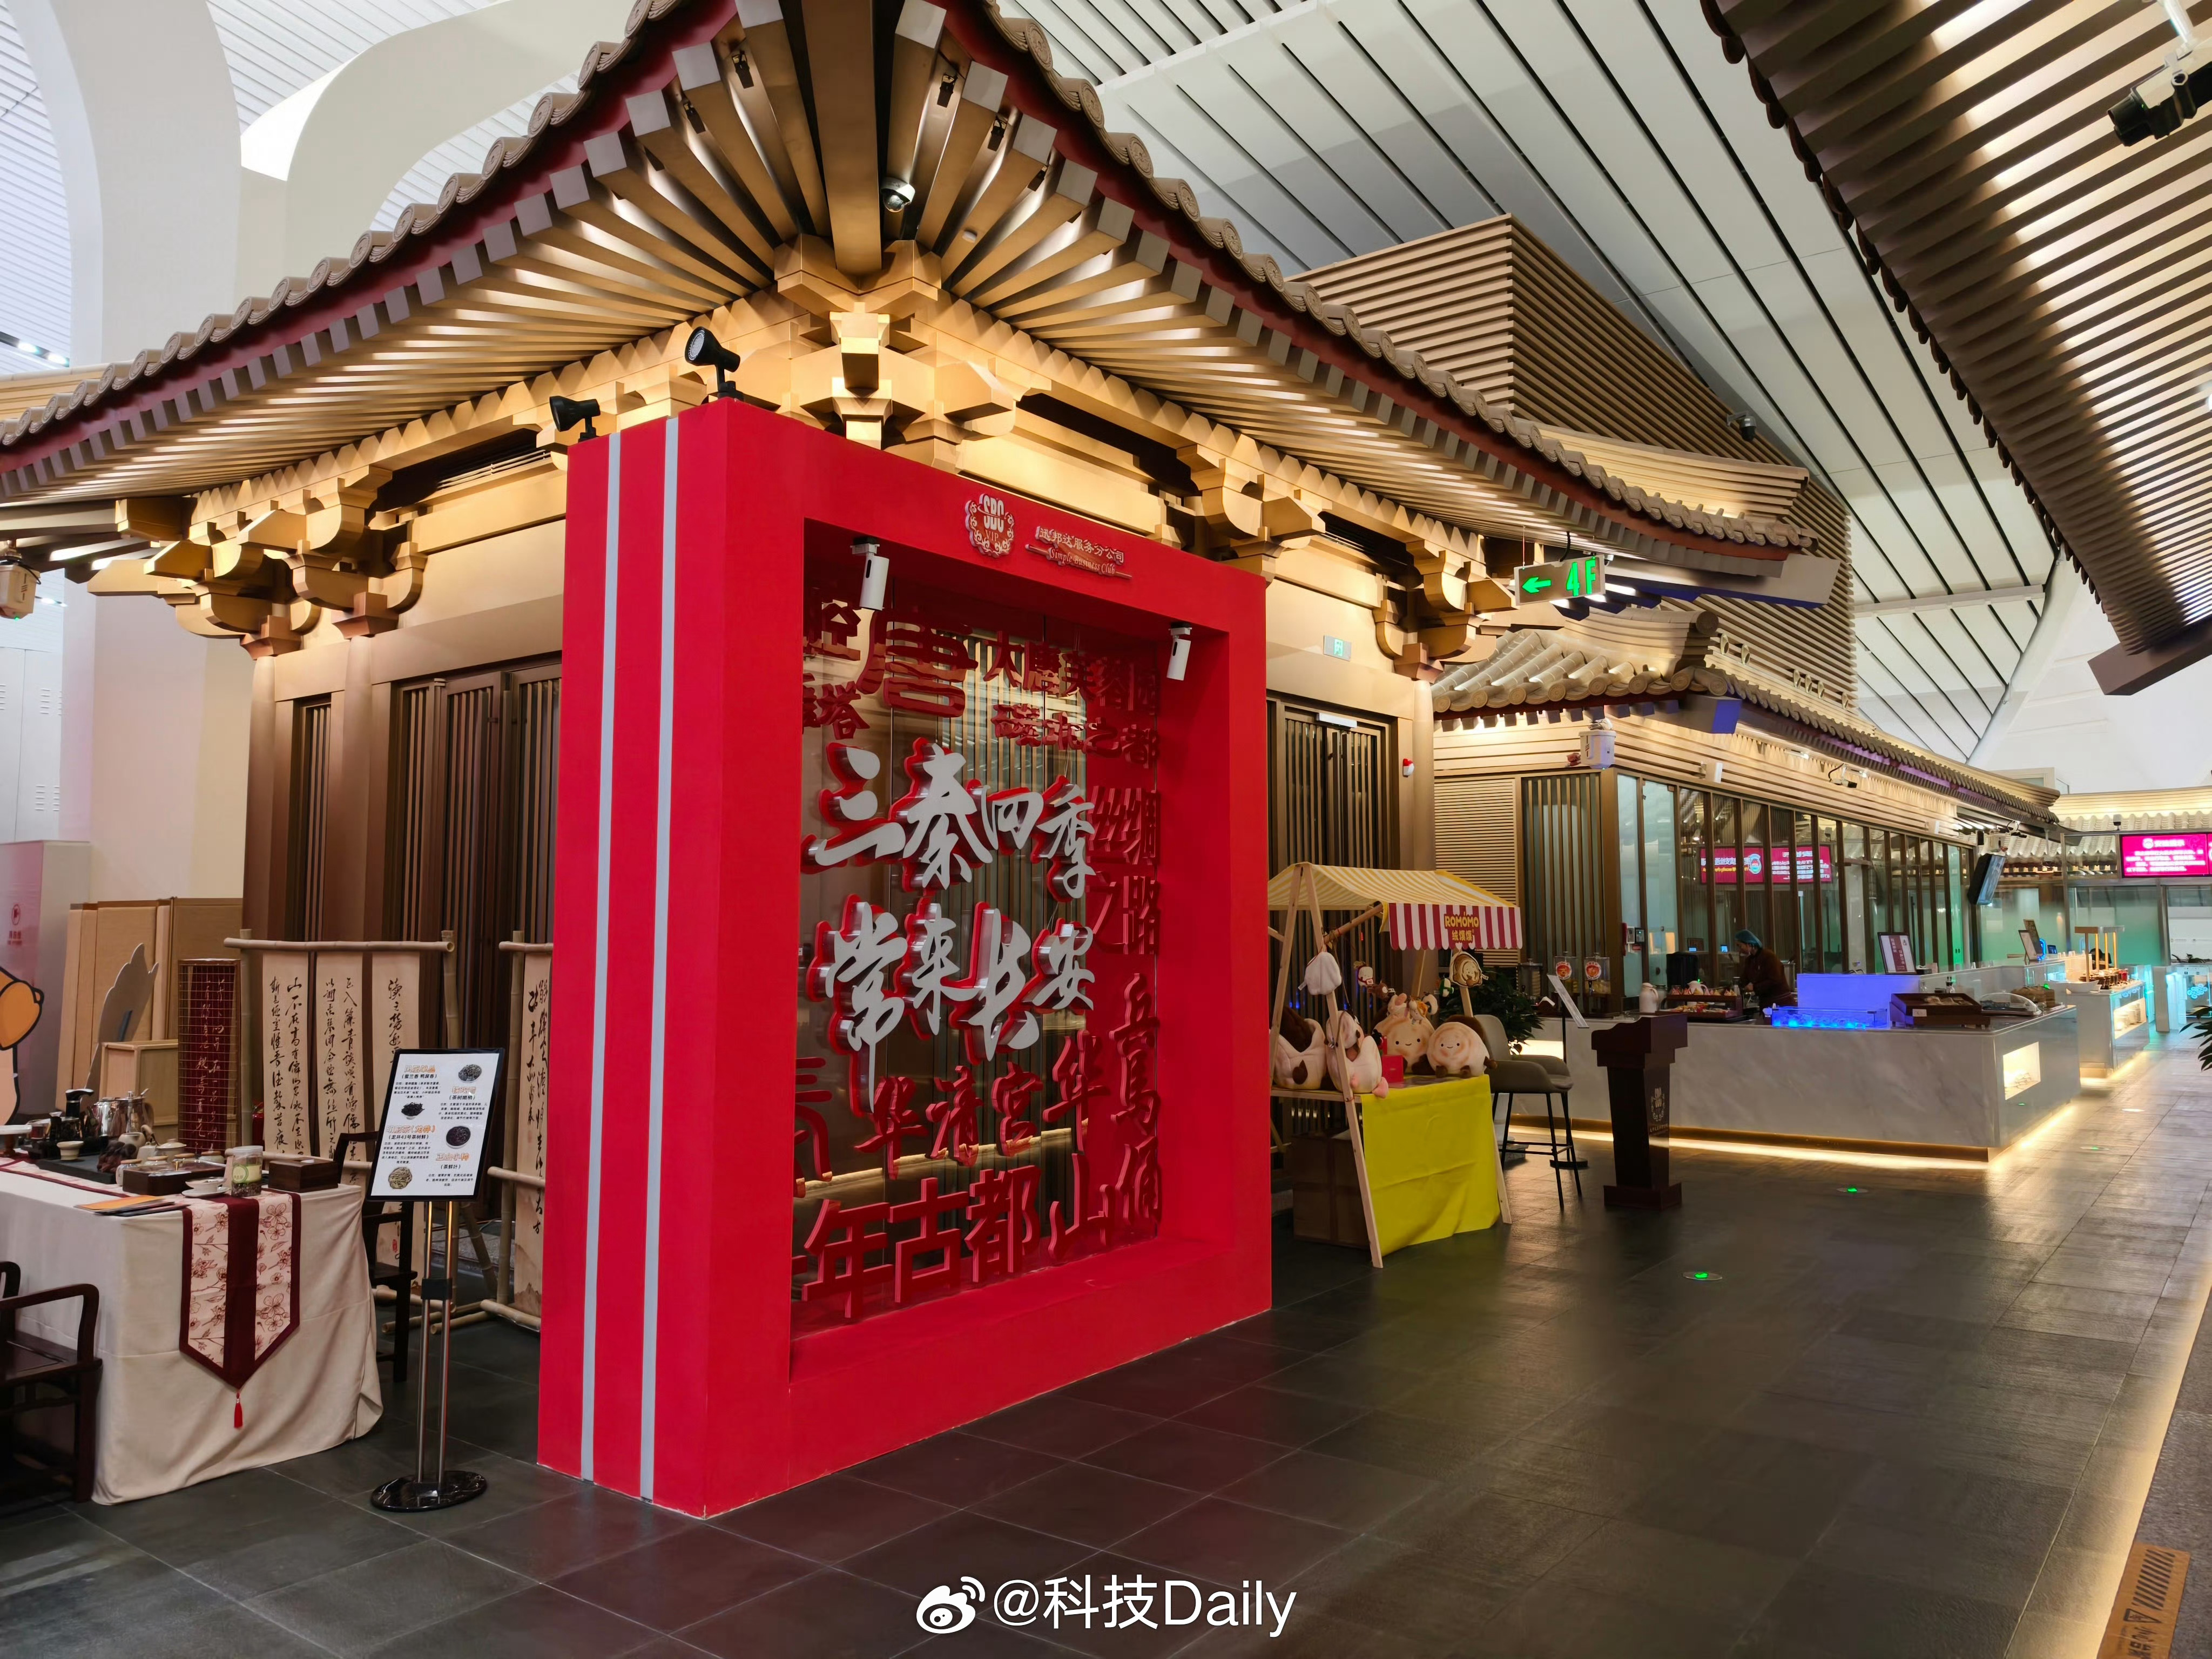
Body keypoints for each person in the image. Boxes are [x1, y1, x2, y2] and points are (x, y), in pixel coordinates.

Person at [1734, 930, 1795, 1008]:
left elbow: (1775, 980)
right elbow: (1744, 979)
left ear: (1749, 944)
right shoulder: (1749, 961)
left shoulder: (1768, 956)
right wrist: (1734, 987)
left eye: (1740, 946)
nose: (1739, 950)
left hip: (1782, 1004)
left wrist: (1755, 987)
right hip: (1766, 1004)